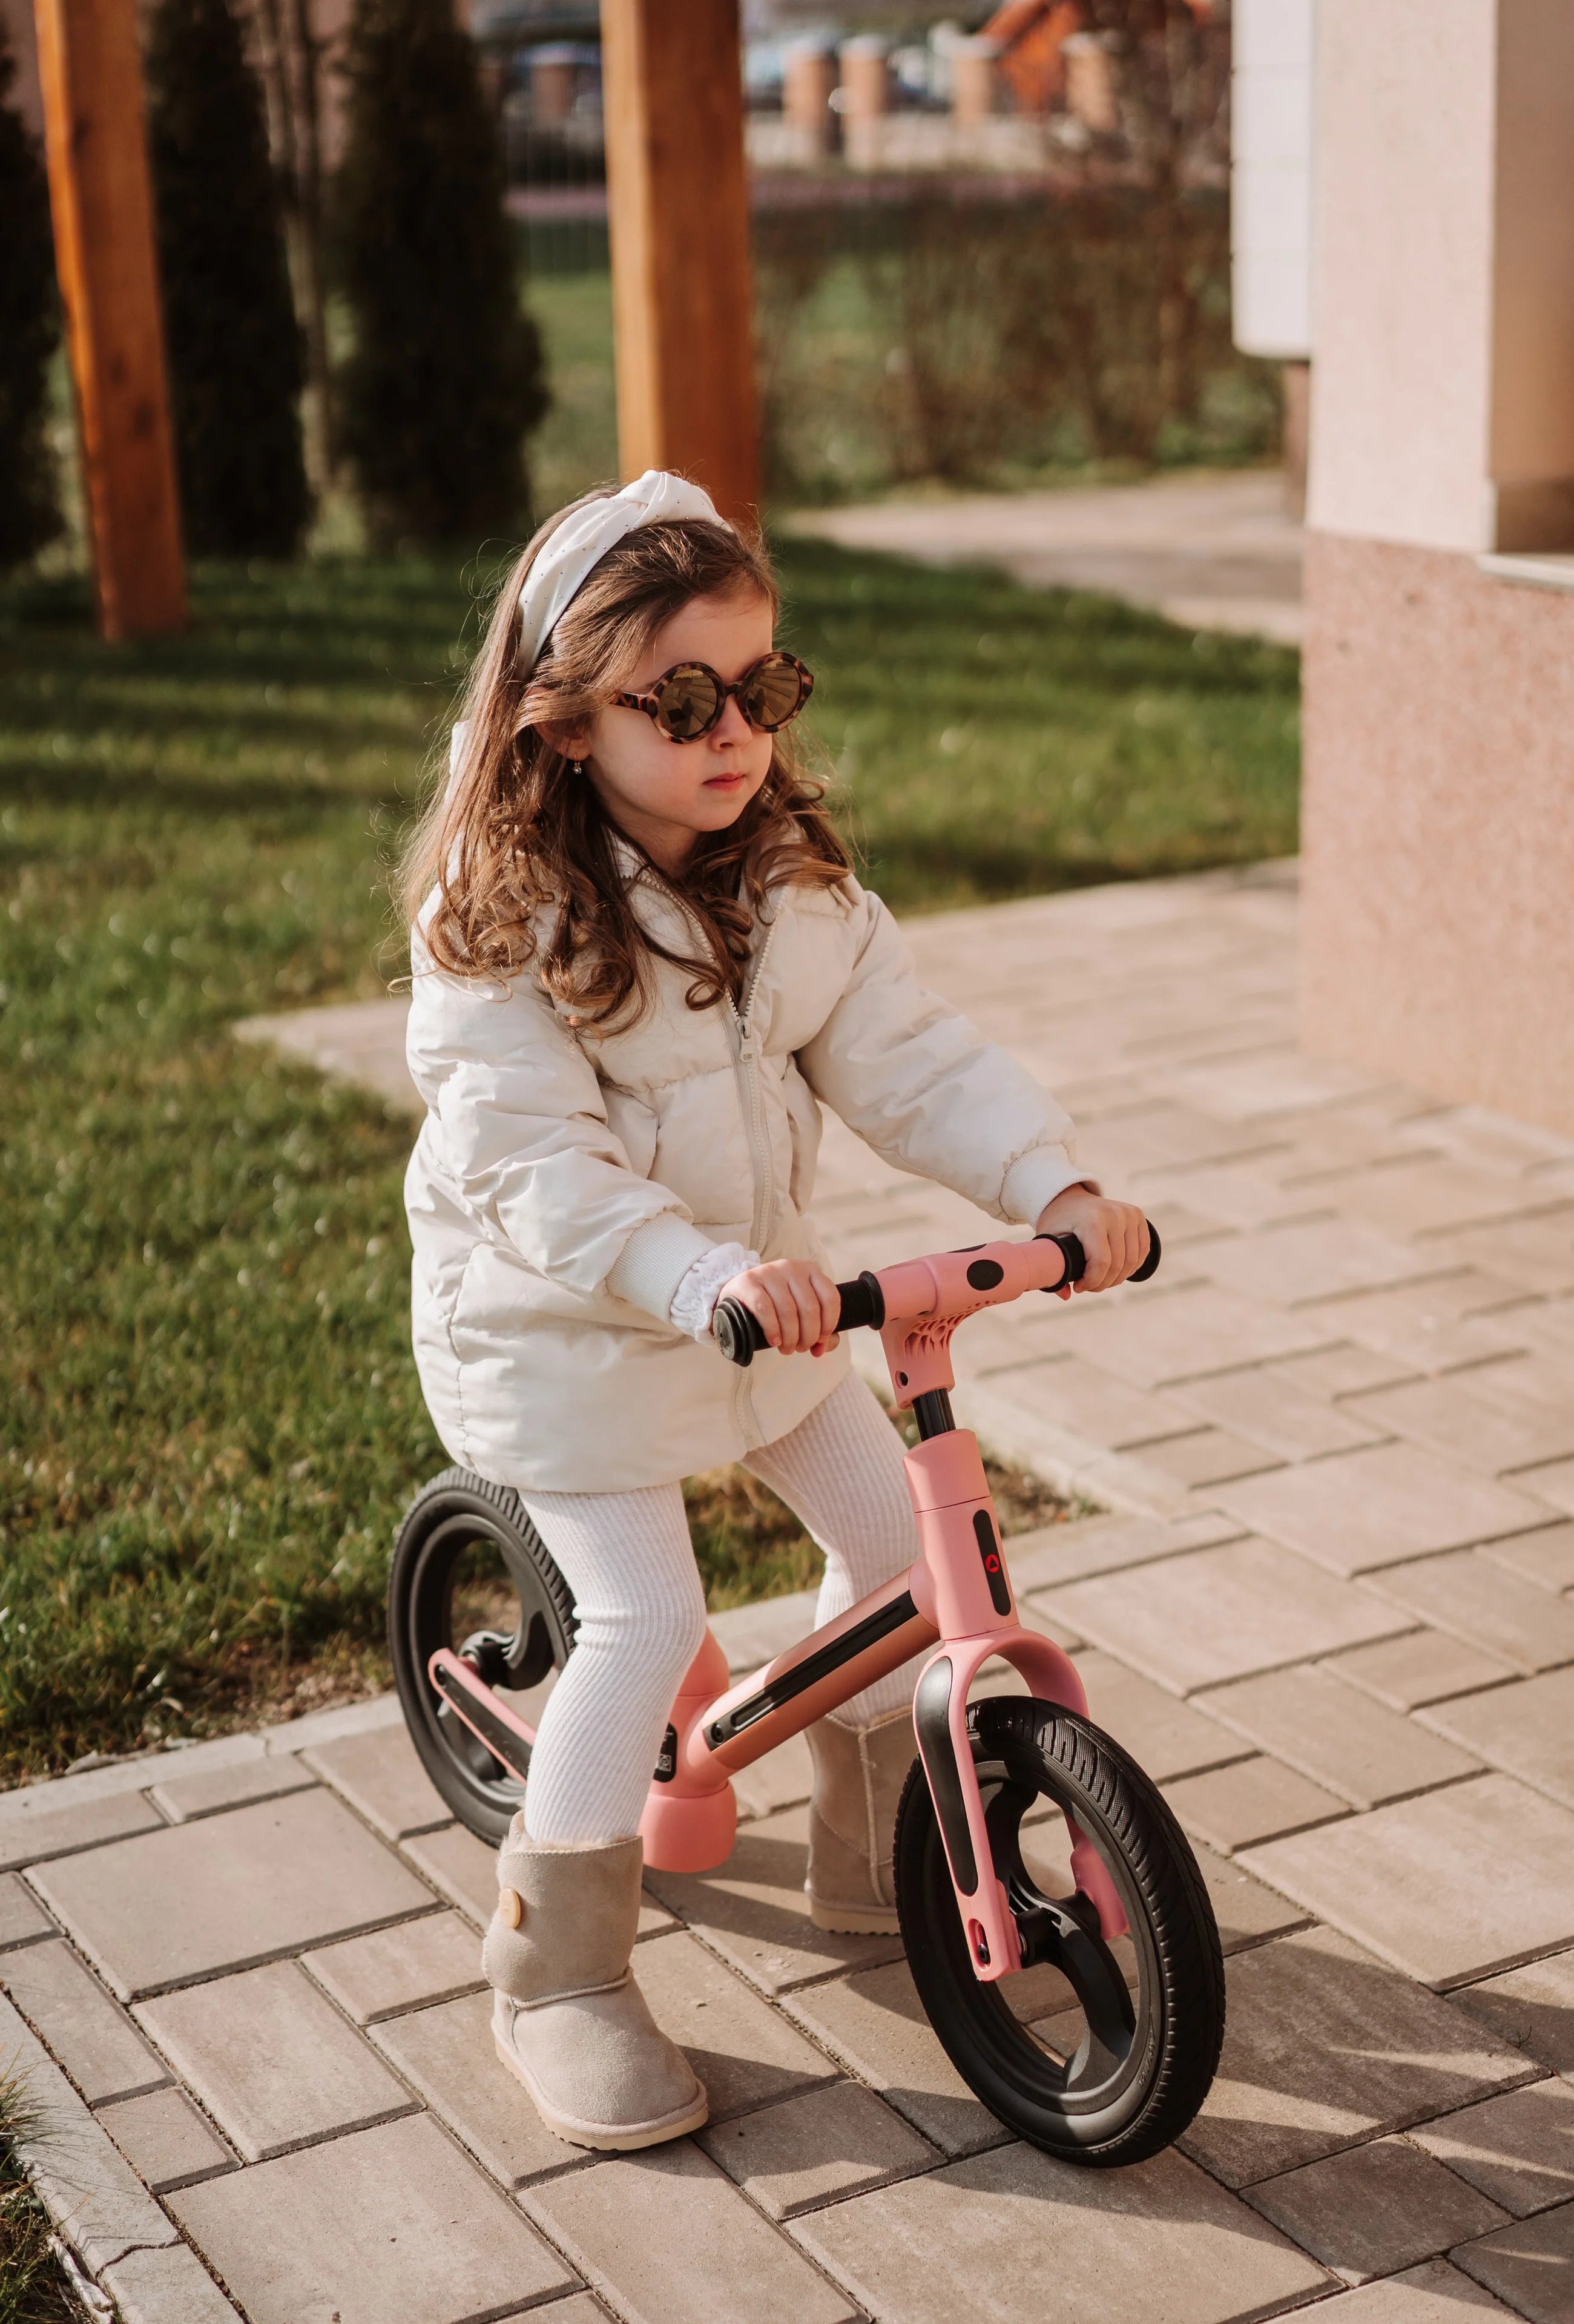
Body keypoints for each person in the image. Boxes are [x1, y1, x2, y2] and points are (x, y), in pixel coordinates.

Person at [401, 471, 1150, 2154]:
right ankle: (556, 1974)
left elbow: (909, 1056)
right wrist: (694, 1275)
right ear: (564, 721)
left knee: (906, 1546)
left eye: (763, 688)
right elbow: (539, 1170)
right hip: (574, 1337)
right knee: (648, 1621)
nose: (734, 730)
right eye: (681, 700)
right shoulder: (498, 927)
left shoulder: (787, 884)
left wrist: (1053, 1189)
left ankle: (875, 1834)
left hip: (761, 1317)